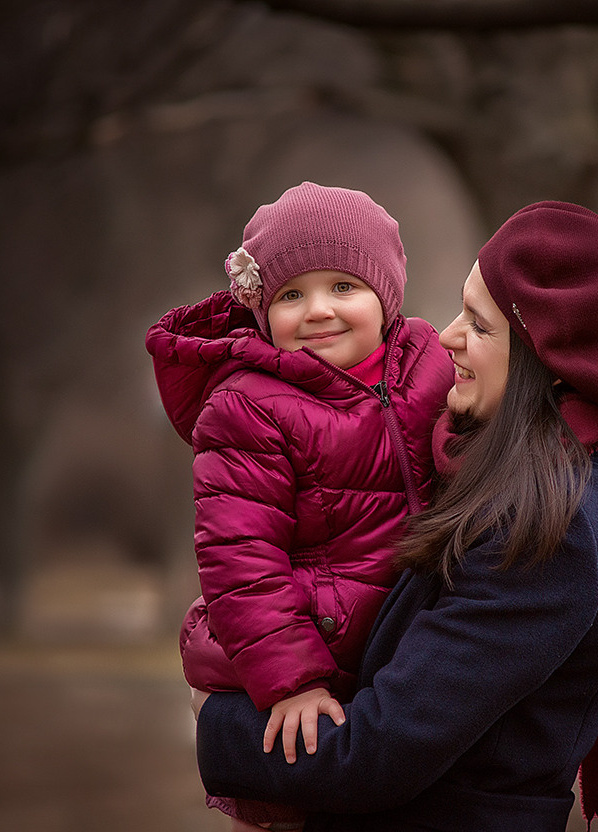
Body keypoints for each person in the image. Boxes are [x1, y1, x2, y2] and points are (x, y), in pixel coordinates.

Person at [193, 201, 598, 832]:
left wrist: (214, 722)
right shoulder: (537, 473)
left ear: (553, 361)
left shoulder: (553, 533)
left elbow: (376, 754)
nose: (445, 337)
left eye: (479, 324)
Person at [145, 182, 455, 830]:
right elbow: (239, 559)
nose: (318, 310)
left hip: (381, 651)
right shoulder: (247, 404)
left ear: (387, 294)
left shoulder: (428, 362)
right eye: (290, 294)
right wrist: (293, 681)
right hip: (280, 661)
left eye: (343, 286)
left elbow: (512, 397)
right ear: (263, 310)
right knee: (293, 807)